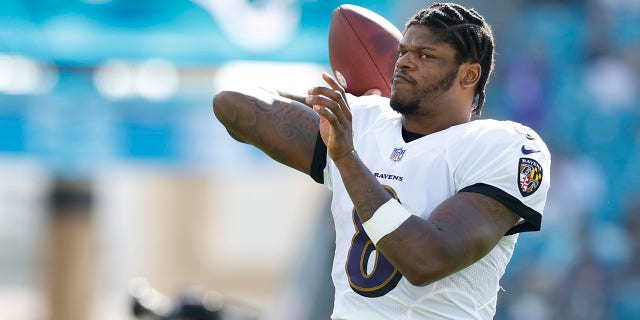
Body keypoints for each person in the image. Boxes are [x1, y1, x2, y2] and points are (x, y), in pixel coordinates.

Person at [212, 2, 551, 319]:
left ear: (468, 75)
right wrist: (334, 102)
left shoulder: (503, 146)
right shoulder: (365, 121)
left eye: (425, 55)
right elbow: (232, 104)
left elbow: (426, 259)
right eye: (402, 51)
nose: (404, 62)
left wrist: (346, 157)